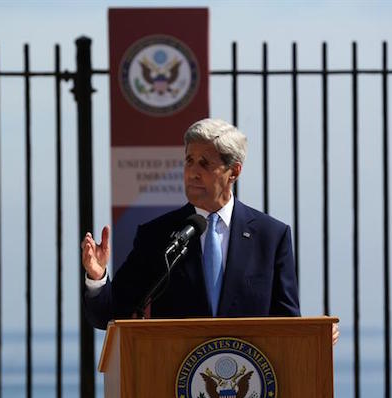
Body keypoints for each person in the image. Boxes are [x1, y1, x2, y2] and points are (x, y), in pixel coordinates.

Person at [82, 118, 339, 345]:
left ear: (234, 171)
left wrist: (314, 336)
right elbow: (110, 315)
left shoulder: (271, 237)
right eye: (189, 161)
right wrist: (97, 277)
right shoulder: (157, 236)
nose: (193, 172)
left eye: (205, 164)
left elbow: (286, 323)